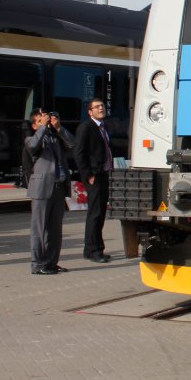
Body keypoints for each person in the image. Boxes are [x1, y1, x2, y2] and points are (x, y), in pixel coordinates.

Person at [25, 109, 75, 274]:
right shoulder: (31, 138)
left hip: (58, 187)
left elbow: (72, 144)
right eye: (41, 120)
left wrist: (58, 127)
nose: (45, 121)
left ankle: (51, 262)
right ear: (34, 126)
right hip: (41, 188)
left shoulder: (55, 137)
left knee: (55, 229)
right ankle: (38, 264)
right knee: (39, 228)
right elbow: (33, 147)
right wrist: (42, 128)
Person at [74, 98, 113, 263]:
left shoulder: (103, 127)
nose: (101, 108)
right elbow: (78, 153)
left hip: (104, 174)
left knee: (101, 212)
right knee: (95, 214)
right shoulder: (86, 127)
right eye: (97, 107)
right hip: (94, 176)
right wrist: (87, 174)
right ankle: (93, 250)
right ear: (90, 112)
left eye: (102, 105)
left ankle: (95, 248)